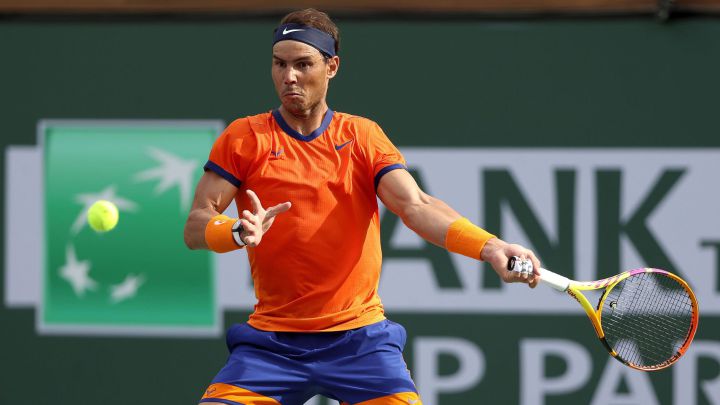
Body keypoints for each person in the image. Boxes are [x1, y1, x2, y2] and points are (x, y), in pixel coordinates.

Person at [184, 8, 541, 405]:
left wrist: (490, 247)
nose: (289, 77)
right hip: (272, 344)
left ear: (331, 67)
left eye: (303, 64)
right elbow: (196, 224)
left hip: (361, 341)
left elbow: (415, 205)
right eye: (279, 64)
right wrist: (234, 231)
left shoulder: (362, 136)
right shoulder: (243, 137)